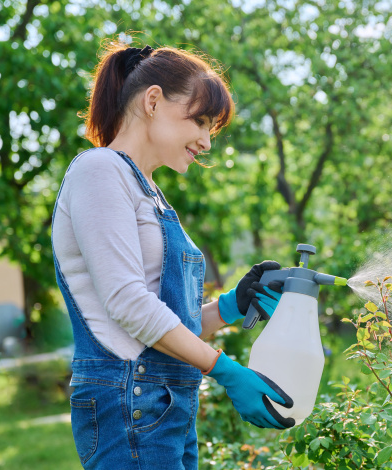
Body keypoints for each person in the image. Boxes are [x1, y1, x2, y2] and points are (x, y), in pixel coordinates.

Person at [51, 42, 293, 470]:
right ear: (153, 101)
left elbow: (157, 325)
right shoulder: (99, 170)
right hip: (129, 403)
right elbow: (128, 304)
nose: (206, 143)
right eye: (199, 121)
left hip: (161, 406)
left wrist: (229, 307)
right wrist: (225, 370)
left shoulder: (150, 194)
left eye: (211, 130)